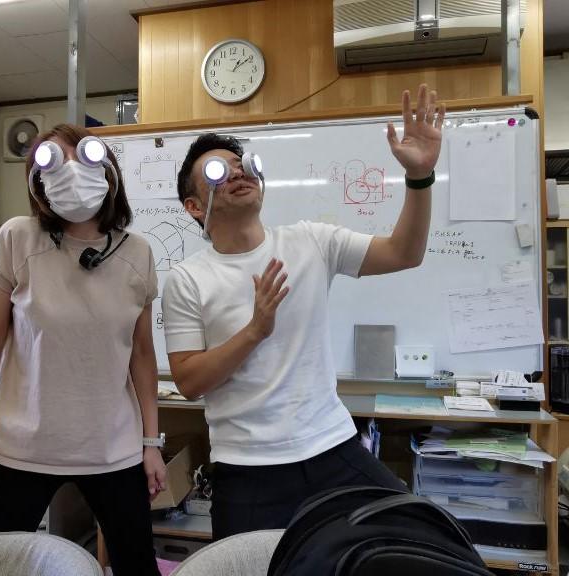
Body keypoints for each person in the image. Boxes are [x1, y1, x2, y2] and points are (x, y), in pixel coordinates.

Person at [162, 85, 445, 540]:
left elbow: (404, 252)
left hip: (331, 446)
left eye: (241, 163)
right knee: (247, 567)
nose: (237, 172)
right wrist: (254, 331)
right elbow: (189, 381)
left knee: (418, 535)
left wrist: (419, 177)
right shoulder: (187, 279)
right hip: (247, 465)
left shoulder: (311, 241)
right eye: (217, 171)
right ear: (194, 206)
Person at [0, 123, 165, 576]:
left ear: (108, 170)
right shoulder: (17, 238)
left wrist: (152, 444)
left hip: (114, 448)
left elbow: (142, 355)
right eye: (55, 160)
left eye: (83, 157)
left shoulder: (137, 253)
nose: (71, 171)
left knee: (136, 567)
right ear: (38, 180)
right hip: (20, 446)